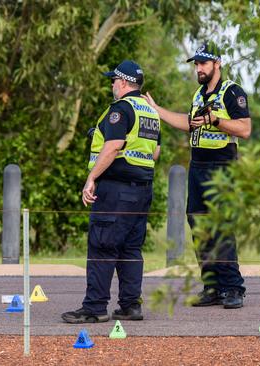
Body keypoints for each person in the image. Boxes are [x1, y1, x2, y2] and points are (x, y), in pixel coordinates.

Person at [143, 41, 251, 309]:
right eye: (196, 64)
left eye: (203, 63)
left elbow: (245, 129)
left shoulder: (231, 92)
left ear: (217, 64)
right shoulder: (198, 95)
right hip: (198, 166)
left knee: (221, 228)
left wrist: (216, 120)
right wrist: (158, 111)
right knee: (200, 229)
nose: (198, 68)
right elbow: (188, 124)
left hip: (222, 168)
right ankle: (212, 285)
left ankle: (233, 287)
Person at [61, 60, 161, 323]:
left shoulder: (121, 109)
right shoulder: (150, 112)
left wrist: (91, 178)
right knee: (130, 249)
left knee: (102, 245)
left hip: (116, 190)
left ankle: (94, 308)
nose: (112, 85)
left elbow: (114, 145)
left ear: (124, 82)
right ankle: (130, 305)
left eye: (113, 81)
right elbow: (156, 151)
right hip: (142, 190)